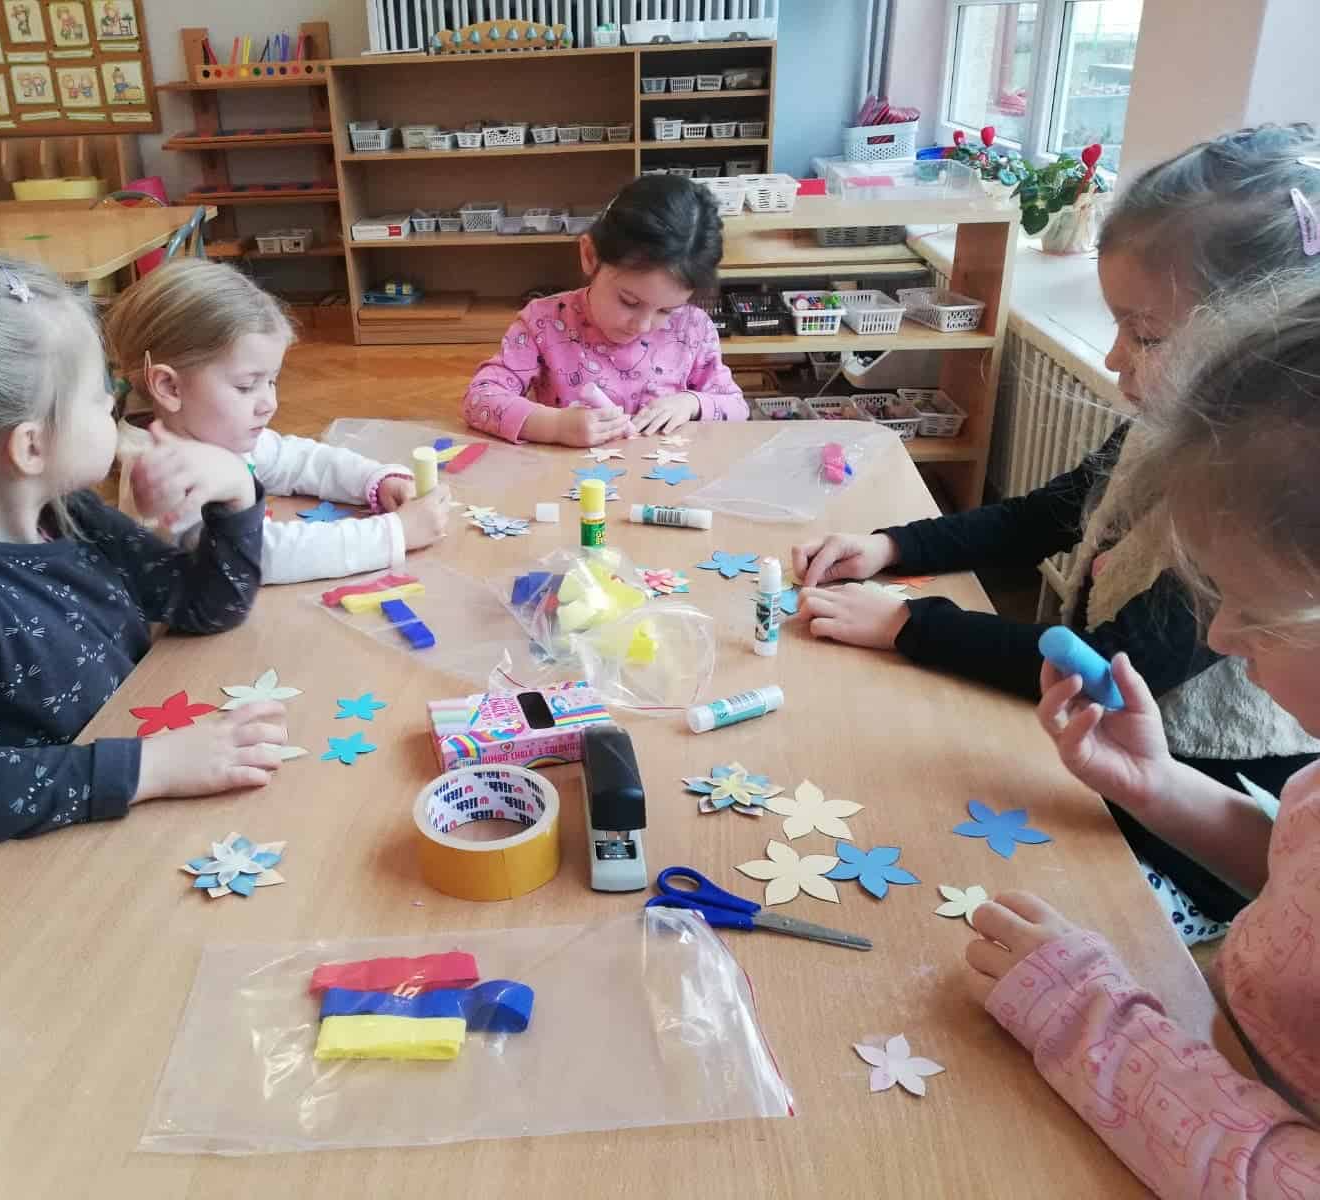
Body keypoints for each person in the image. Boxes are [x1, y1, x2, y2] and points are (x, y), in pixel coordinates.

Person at [791, 125, 1320, 939]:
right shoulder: (1167, 428)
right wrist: (895, 546)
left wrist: (907, 623)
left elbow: (1116, 663)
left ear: (1249, 340)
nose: (1113, 358)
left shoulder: (1264, 512)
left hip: (1198, 841)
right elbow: (1046, 513)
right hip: (1134, 773)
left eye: (1144, 335)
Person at [967, 274, 1320, 1198]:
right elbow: (1297, 881)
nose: (1219, 637)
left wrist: (1091, 1023)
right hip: (1218, 1052)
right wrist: (1157, 785)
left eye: (1256, 609)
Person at [0, 256, 287, 926]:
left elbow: (206, 606)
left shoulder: (68, 516)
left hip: (110, 840)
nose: (117, 410)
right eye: (100, 398)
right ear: (31, 448)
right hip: (13, 908)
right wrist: (150, 767)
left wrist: (235, 492)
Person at [106, 259, 454, 583]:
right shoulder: (160, 476)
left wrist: (374, 480)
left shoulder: (206, 430)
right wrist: (395, 533)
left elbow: (295, 459)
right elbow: (262, 556)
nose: (269, 404)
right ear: (169, 387)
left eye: (271, 381)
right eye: (246, 386)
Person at [463, 174, 746, 446]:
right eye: (629, 301)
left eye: (667, 311)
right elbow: (480, 399)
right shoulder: (543, 322)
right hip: (570, 475)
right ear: (590, 256)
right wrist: (555, 426)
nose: (642, 326)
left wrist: (691, 402)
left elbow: (736, 407)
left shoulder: (693, 328)